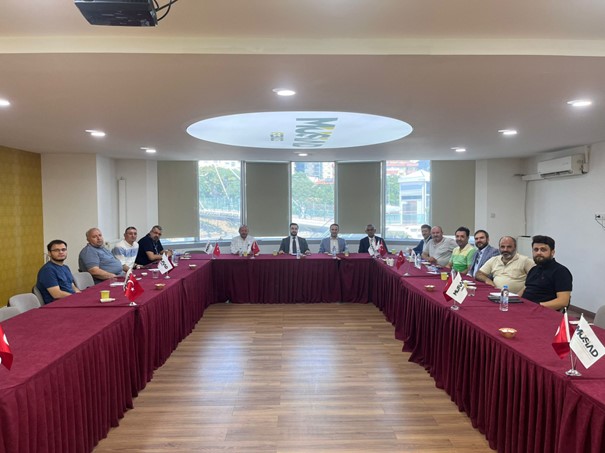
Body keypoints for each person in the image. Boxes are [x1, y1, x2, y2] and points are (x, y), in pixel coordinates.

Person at [519, 235, 572, 311]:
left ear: (552, 252)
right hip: (524, 308)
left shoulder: (560, 271)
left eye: (543, 250)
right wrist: (512, 300)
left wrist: (535, 306)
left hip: (541, 312)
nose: (539, 253)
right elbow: (526, 289)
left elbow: (563, 302)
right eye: (536, 250)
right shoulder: (533, 269)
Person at [36, 240, 80, 304]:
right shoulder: (48, 270)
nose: (61, 252)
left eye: (63, 250)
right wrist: (75, 297)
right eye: (56, 250)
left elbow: (72, 286)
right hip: (58, 304)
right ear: (49, 253)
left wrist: (79, 294)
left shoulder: (65, 267)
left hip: (71, 300)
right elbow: (57, 294)